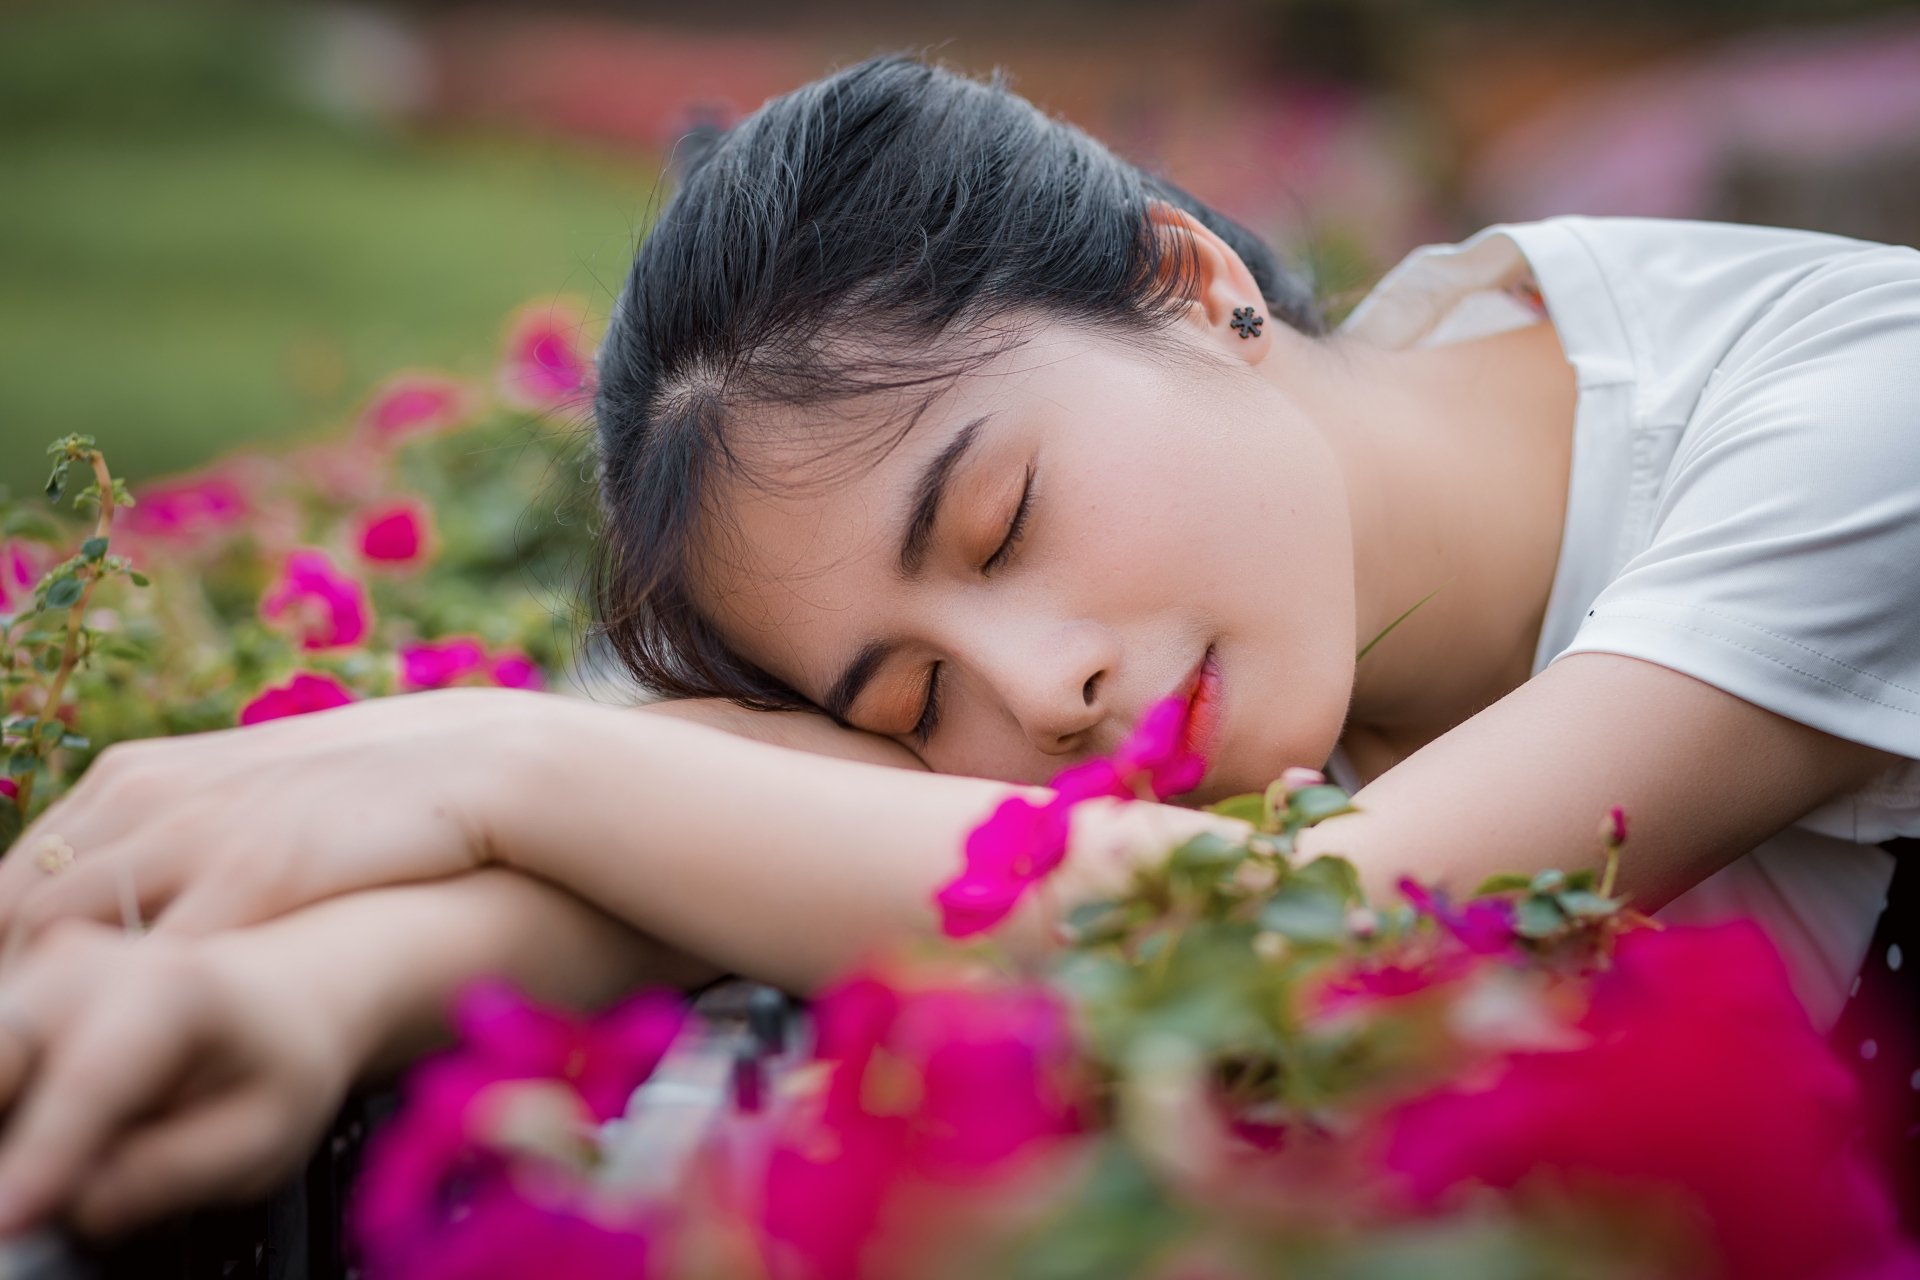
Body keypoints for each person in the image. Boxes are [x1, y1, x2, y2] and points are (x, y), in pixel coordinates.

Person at [0, 52, 1914, 1240]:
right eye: (919, 698)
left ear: (1189, 279)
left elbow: (1356, 910)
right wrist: (315, 992)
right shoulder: (1318, 554)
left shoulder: (1857, 415)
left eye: (995, 523)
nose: (1036, 699)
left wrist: (482, 757)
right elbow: (790, 836)